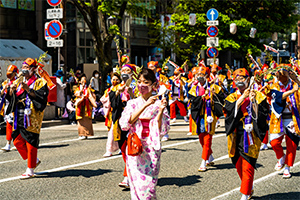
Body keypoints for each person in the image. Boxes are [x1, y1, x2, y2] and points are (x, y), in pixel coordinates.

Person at [119, 68, 170, 199]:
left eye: (146, 82)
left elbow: (161, 130)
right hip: (135, 148)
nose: (141, 85)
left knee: (148, 190)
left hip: (151, 149)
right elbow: (125, 123)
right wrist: (145, 105)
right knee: (136, 189)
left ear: (154, 85)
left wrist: (160, 112)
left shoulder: (159, 104)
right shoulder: (133, 103)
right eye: (139, 81)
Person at [223, 68, 269, 200]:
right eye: (236, 78)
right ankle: (248, 187)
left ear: (248, 79)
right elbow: (229, 113)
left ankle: (245, 194)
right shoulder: (231, 97)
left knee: (247, 164)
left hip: (251, 134)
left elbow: (262, 116)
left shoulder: (259, 96)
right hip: (235, 134)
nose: (239, 80)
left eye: (242, 78)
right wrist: (243, 98)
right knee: (237, 163)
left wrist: (253, 101)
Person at [6, 58, 49, 179]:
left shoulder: (40, 82)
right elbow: (11, 97)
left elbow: (41, 98)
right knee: (17, 141)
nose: (24, 70)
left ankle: (30, 169)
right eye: (23, 67)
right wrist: (11, 91)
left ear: (33, 69)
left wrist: (28, 89)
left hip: (31, 116)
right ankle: (34, 160)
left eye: (27, 68)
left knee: (31, 142)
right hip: (18, 114)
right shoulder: (19, 80)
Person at [189, 66, 226, 172]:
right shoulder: (193, 88)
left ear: (206, 76)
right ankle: (209, 155)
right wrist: (201, 97)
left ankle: (203, 161)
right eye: (197, 75)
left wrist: (214, 96)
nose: (199, 77)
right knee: (201, 138)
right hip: (198, 115)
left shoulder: (214, 87)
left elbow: (222, 99)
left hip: (209, 116)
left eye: (202, 75)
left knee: (207, 138)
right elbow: (192, 101)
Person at [266, 66, 300, 178]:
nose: (280, 76)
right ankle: (281, 157)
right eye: (278, 74)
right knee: (274, 142)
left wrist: (297, 81)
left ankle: (287, 167)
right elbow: (278, 97)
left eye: (283, 74)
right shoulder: (274, 86)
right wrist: (292, 91)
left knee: (292, 145)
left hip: (292, 118)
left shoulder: (295, 85)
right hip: (277, 119)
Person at [101, 73, 122, 157]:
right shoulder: (108, 90)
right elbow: (103, 99)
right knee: (112, 131)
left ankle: (119, 148)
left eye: (117, 79)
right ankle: (110, 149)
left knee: (120, 131)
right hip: (111, 113)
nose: (115, 81)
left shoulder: (122, 88)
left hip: (120, 112)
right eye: (113, 79)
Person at [0, 65, 19, 152]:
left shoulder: (18, 82)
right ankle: (8, 143)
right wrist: (3, 91)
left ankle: (16, 143)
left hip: (16, 106)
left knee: (17, 125)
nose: (9, 74)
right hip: (7, 106)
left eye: (11, 72)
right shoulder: (5, 83)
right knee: (9, 124)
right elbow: (1, 95)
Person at [74, 74, 97, 140]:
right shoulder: (78, 88)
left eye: (85, 79)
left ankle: (87, 133)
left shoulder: (88, 89)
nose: (84, 81)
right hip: (80, 105)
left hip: (87, 105)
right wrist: (81, 91)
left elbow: (91, 96)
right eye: (82, 80)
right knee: (80, 120)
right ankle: (81, 133)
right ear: (80, 81)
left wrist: (94, 103)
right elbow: (76, 94)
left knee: (87, 120)